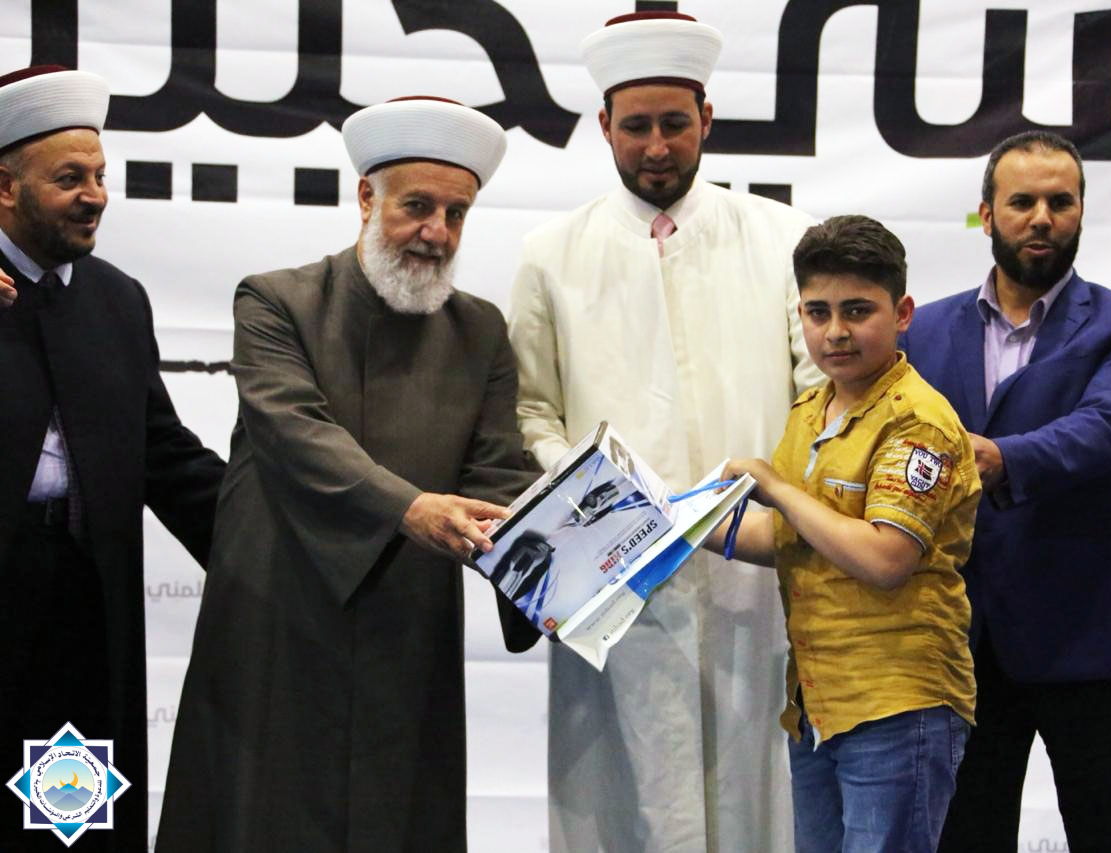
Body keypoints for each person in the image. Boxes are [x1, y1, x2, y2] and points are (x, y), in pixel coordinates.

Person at [155, 97, 540, 852]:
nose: (436, 232)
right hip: (280, 617)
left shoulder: (480, 329)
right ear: (366, 197)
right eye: (417, 207)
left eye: (456, 214)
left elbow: (498, 471)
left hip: (408, 628)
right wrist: (411, 509)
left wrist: (576, 551)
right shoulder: (275, 301)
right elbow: (296, 434)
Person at [508, 11, 823, 851]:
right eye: (637, 126)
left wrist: (777, 505)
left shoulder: (782, 236)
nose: (656, 146)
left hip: (756, 566)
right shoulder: (550, 252)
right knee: (625, 795)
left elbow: (819, 394)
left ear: (707, 120)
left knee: (760, 782)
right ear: (604, 125)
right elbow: (531, 410)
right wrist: (602, 494)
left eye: (675, 124)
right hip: (612, 568)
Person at [902, 131, 1111, 852]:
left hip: (1094, 640)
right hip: (958, 649)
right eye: (1022, 201)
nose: (1042, 218)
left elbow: (1106, 429)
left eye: (1061, 202)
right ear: (986, 214)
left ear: (1082, 211)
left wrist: (997, 458)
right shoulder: (919, 331)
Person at [0, 65, 225, 852]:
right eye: (69, 179)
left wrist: (278, 535)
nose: (95, 195)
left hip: (83, 618)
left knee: (69, 821)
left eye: (99, 176)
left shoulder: (117, 299)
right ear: (5, 188)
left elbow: (164, 453)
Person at [709, 214, 980, 852]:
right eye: (818, 311)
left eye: (858, 311)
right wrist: (672, 523)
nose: (835, 331)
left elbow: (886, 558)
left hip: (899, 701)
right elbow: (792, 538)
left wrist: (774, 487)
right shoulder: (812, 408)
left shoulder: (918, 421)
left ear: (903, 313)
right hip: (816, 700)